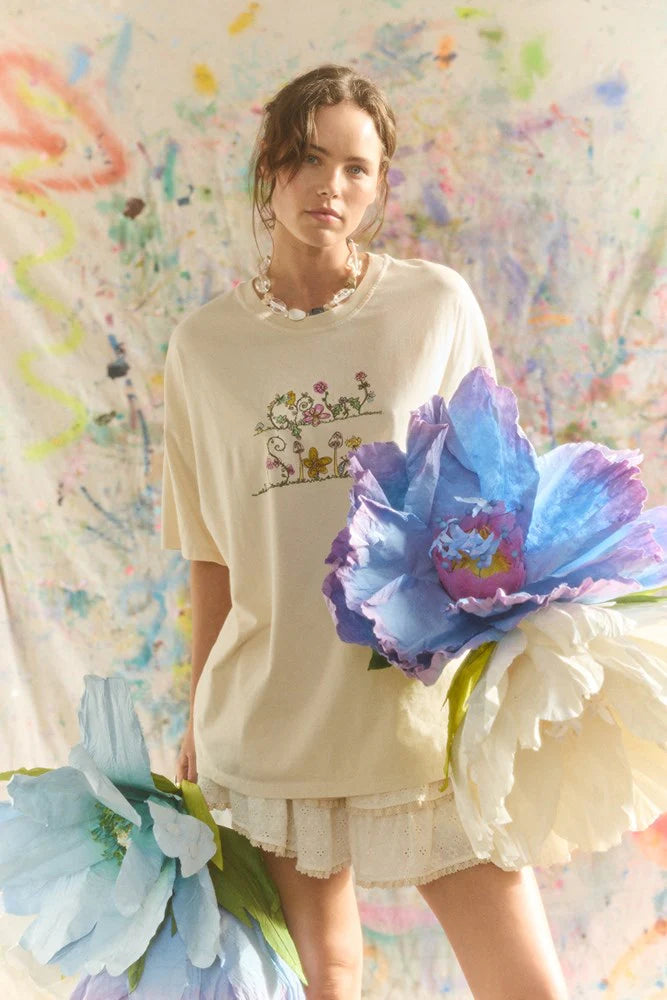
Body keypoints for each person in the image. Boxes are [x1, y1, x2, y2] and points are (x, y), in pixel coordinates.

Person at [163, 64, 569, 1000]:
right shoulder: (204, 346)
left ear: (380, 184)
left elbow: (495, 499)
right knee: (326, 980)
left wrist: (514, 671)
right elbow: (209, 551)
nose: (331, 187)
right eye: (308, 159)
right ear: (268, 168)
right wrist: (192, 711)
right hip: (268, 722)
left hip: (412, 715)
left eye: (356, 168)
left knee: (525, 986)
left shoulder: (433, 308)